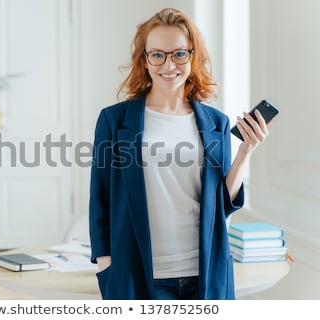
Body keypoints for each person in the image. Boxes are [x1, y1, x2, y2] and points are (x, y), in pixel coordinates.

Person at [89, 8, 270, 300]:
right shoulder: (114, 121)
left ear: (192, 56)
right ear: (145, 60)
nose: (168, 64)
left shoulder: (216, 123)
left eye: (179, 54)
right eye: (157, 54)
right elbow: (100, 197)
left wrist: (246, 150)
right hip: (138, 272)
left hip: (205, 271)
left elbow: (220, 203)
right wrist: (105, 262)